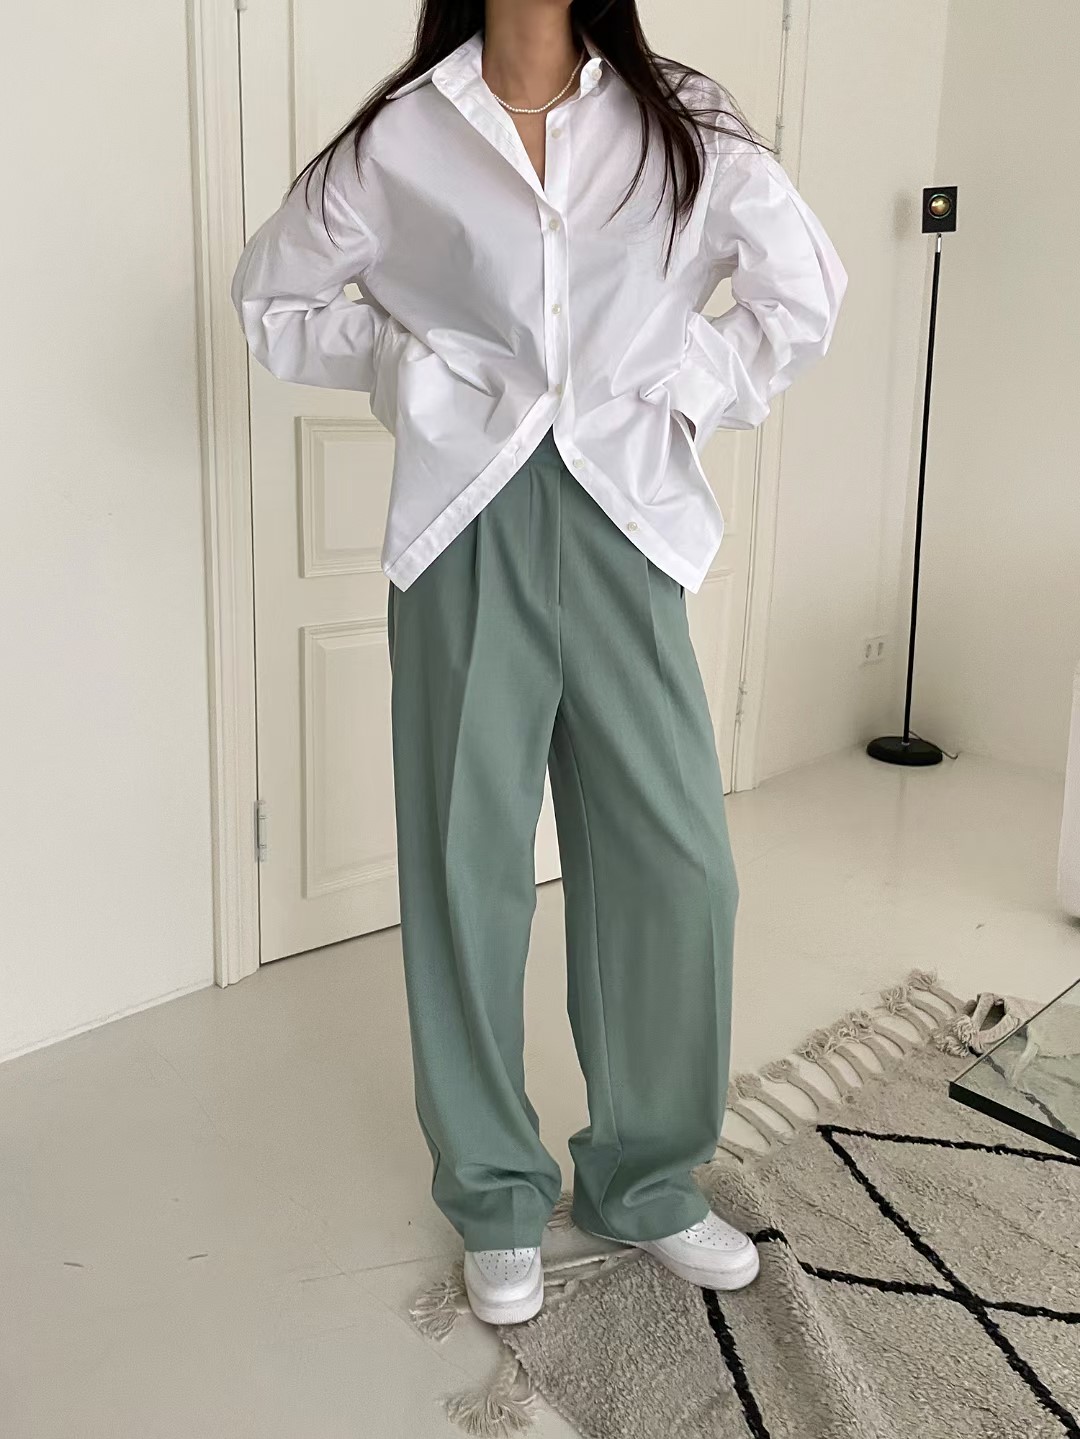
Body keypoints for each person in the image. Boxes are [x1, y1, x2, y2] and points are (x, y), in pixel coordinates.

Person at [231, 0, 846, 1326]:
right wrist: (412, 370)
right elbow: (273, 304)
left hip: (628, 520)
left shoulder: (682, 118)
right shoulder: (402, 136)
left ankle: (647, 1178)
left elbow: (804, 290)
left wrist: (690, 380)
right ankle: (496, 1193)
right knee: (468, 866)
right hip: (465, 525)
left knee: (677, 865)